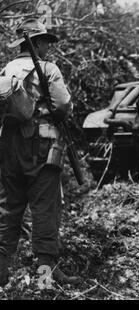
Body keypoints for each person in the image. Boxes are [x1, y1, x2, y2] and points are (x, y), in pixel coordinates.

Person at [0, 19, 79, 286]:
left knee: (8, 208)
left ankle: (1, 271)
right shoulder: (48, 68)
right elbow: (63, 106)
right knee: (45, 207)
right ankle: (45, 275)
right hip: (42, 146)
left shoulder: (8, 68)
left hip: (9, 147)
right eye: (44, 41)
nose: (48, 45)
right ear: (35, 43)